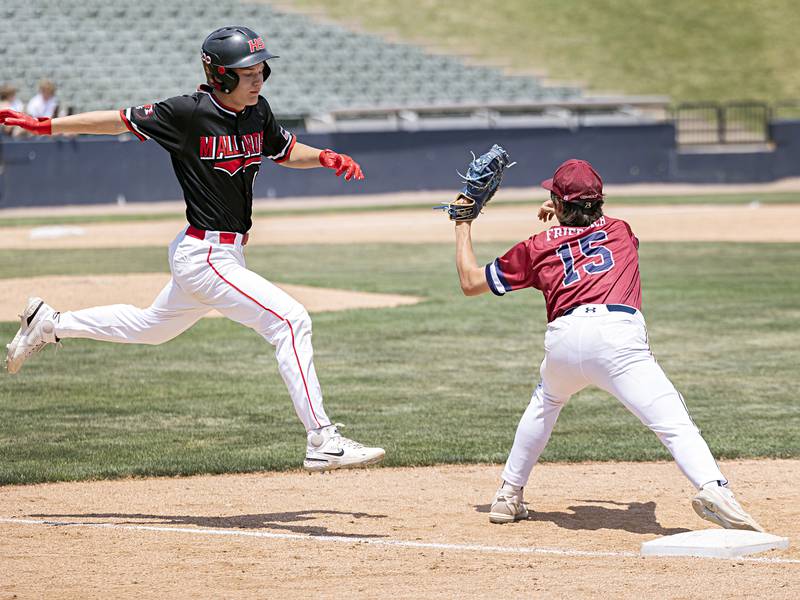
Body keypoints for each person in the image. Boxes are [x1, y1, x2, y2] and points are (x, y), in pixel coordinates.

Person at [1, 26, 384, 472]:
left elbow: (285, 149)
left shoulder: (257, 112)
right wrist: (46, 125)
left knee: (151, 327)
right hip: (204, 254)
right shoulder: (186, 112)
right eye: (247, 72)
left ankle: (50, 323)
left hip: (221, 254)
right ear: (220, 75)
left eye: (262, 69)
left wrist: (323, 156)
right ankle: (322, 439)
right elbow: (116, 119)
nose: (258, 79)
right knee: (291, 320)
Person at [452, 158, 763, 531]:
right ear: (598, 201)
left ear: (560, 204)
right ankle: (714, 489)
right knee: (671, 420)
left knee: (546, 403)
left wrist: (463, 223)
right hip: (618, 339)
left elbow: (471, 282)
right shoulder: (620, 231)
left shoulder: (537, 245)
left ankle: (507, 495)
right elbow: (589, 223)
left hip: (564, 340)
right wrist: (566, 208)